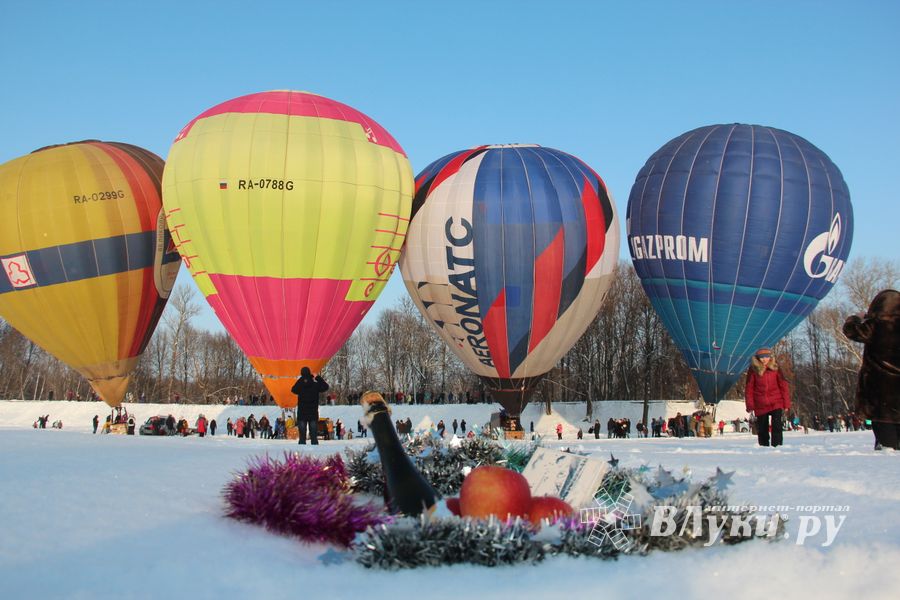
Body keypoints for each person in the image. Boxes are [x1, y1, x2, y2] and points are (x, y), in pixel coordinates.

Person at [843, 289, 900, 450]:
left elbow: (850, 330)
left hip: (879, 392)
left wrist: (856, 318)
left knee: (886, 441)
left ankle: (884, 458)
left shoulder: (876, 325)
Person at [745, 347, 790, 447]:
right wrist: (750, 405)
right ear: (757, 358)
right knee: (762, 428)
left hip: (776, 401)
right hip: (760, 403)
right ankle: (764, 447)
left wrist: (786, 403)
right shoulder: (753, 370)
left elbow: (783, 386)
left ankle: (777, 446)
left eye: (767, 357)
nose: (764, 359)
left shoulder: (776, 368)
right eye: (762, 357)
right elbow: (749, 388)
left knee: (777, 426)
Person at [291, 367, 329, 445]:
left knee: (302, 436)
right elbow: (326, 387)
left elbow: (293, 390)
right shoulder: (315, 384)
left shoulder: (300, 384)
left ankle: (301, 450)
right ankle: (314, 448)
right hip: (313, 412)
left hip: (302, 412)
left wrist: (301, 379)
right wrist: (317, 377)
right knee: (314, 435)